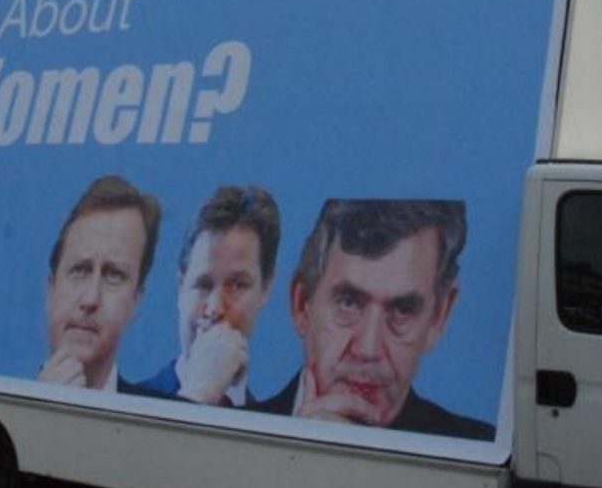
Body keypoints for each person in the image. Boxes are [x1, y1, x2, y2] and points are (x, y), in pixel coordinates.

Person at [256, 198, 494, 440]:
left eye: (402, 310)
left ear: (438, 316)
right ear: (302, 304)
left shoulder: (478, 449)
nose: (368, 350)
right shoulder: (226, 435)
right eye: (348, 303)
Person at [139, 185, 279, 406]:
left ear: (266, 289)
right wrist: (198, 394)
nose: (215, 308)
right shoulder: (123, 407)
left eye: (237, 286)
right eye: (203, 285)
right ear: (180, 288)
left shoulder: (277, 433)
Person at [39, 174, 160, 394]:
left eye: (113, 275)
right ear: (51, 289)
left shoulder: (165, 423)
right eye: (79, 271)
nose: (90, 299)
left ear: (136, 301)